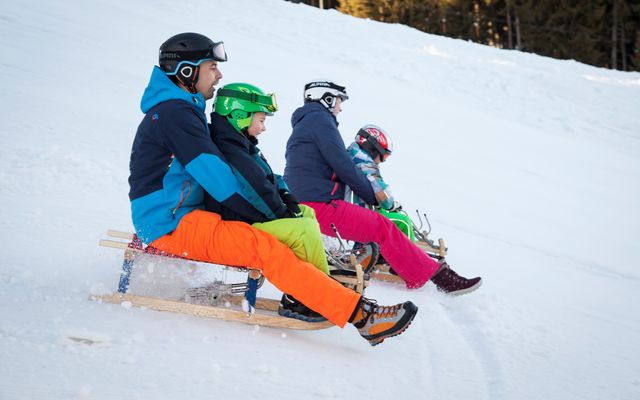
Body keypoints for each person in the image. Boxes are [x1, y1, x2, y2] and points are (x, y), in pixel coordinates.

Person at [127, 32, 417, 346]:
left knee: (274, 239)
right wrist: (264, 218)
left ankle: (317, 296)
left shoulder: (183, 110)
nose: (219, 74)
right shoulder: (175, 114)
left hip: (184, 216)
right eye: (212, 66)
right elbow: (218, 179)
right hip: (168, 224)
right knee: (266, 248)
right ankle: (362, 317)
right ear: (187, 71)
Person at [283, 80, 482, 294]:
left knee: (377, 226)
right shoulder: (320, 122)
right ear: (327, 99)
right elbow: (345, 166)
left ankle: (405, 264)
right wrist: (371, 195)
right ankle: (441, 279)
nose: (340, 108)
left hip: (309, 204)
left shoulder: (309, 123)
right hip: (317, 206)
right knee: (382, 226)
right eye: (339, 102)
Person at [206, 82, 377, 321]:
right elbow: (255, 188)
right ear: (238, 115)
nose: (263, 128)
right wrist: (282, 213)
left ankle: (319, 287)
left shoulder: (241, 144)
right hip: (236, 221)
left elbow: (270, 178)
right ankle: (306, 299)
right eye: (261, 120)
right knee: (302, 229)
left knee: (306, 214)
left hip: (244, 215)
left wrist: (288, 198)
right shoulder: (230, 148)